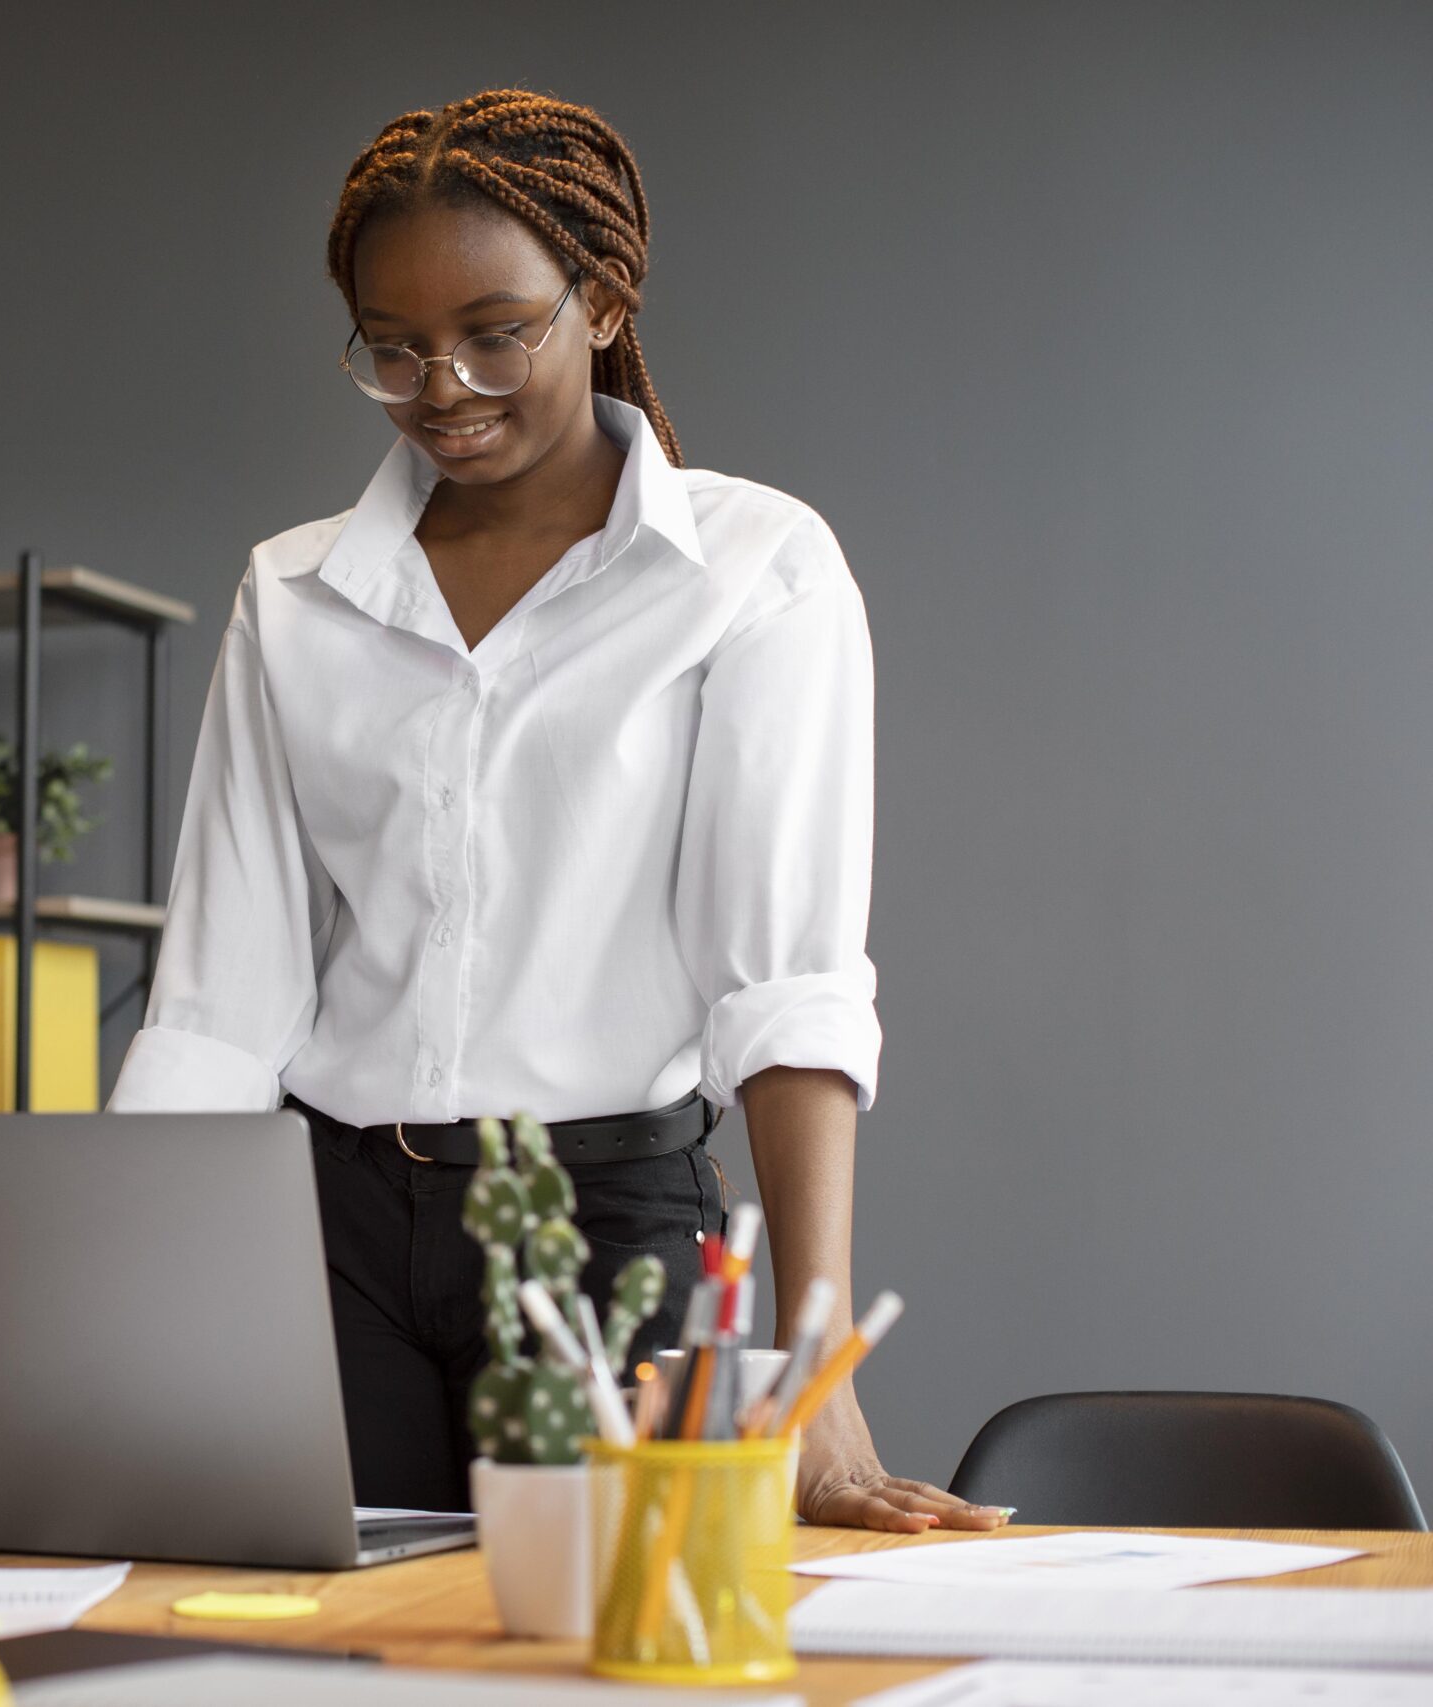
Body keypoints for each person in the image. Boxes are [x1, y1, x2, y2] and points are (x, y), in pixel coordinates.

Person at [105, 89, 1004, 1533]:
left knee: (605, 1654)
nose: (442, 386)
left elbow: (784, 988)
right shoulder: (294, 592)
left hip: (606, 1235)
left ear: (601, 296)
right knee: (310, 1656)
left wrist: (815, 1358)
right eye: (391, 351)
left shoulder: (752, 570)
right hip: (324, 1240)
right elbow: (221, 1004)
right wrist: (117, 1308)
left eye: (492, 331)